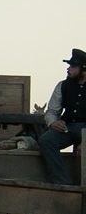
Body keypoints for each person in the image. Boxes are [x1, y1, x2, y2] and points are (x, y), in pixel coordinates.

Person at [38, 49, 86, 185]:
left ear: (83, 69)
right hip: (68, 128)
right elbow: (52, 110)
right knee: (47, 140)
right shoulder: (63, 85)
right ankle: (62, 183)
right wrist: (53, 123)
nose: (68, 69)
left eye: (73, 66)